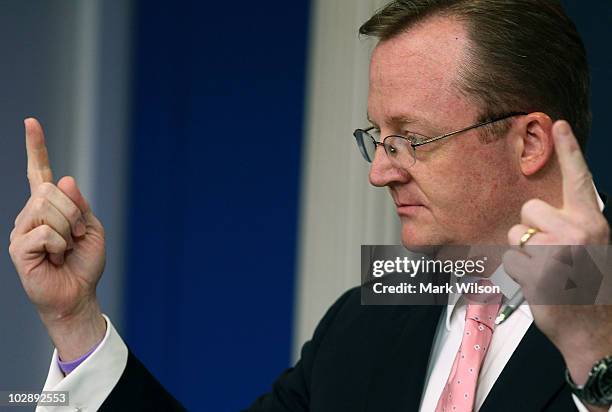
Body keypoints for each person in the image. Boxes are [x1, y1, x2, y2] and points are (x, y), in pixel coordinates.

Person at [9, 0, 612, 411]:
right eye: (378, 138)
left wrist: (595, 358)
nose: (380, 171)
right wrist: (74, 322)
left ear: (529, 141)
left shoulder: (604, 312)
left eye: (412, 139)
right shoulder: (366, 317)